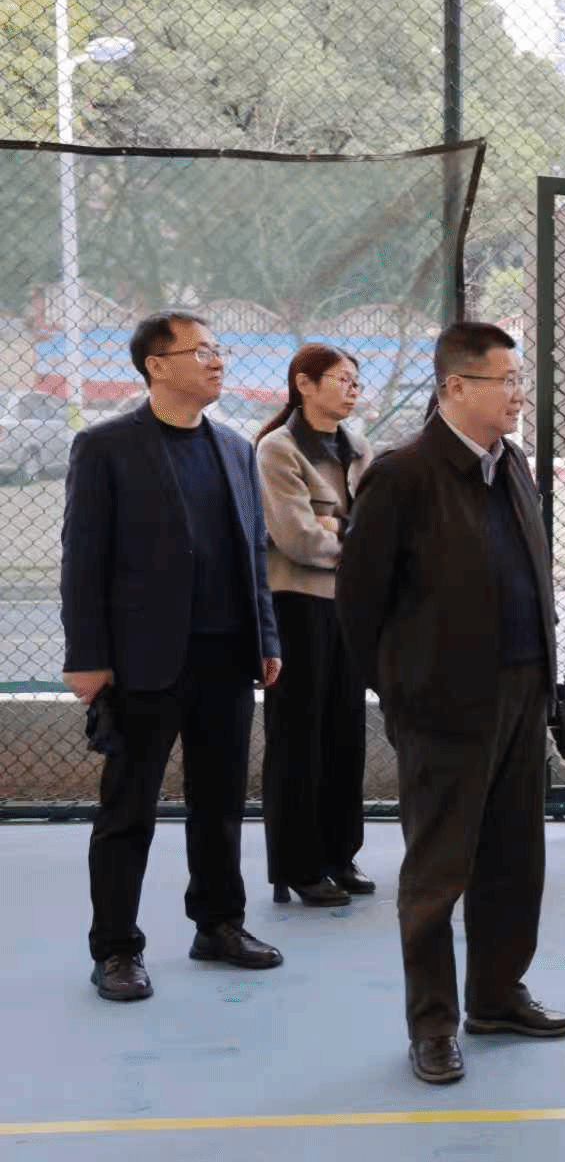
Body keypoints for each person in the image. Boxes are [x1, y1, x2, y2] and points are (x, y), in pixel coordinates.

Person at [337, 322, 565, 1086]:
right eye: (506, 381)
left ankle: (498, 997)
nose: (518, 395)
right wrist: (404, 695)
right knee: (438, 874)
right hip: (443, 709)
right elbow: (358, 607)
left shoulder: (512, 465)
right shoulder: (403, 475)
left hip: (523, 692)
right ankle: (433, 1024)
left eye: (520, 380)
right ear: (455, 387)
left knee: (515, 860)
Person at [61, 311, 285, 1003]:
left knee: (220, 803)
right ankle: (115, 949)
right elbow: (82, 560)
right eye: (201, 350)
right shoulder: (105, 447)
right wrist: (87, 656)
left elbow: (254, 553)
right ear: (156, 365)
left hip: (227, 656)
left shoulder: (235, 448)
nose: (217, 361)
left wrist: (267, 638)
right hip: (143, 661)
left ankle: (218, 924)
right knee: (128, 809)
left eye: (219, 349)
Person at [255, 343, 375, 909]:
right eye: (341, 378)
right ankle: (298, 866)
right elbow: (298, 539)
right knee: (298, 736)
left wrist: (335, 526)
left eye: (356, 380)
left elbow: (374, 529)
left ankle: (339, 855)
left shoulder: (359, 448)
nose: (352, 388)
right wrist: (346, 535)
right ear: (303, 383)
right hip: (297, 607)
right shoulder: (277, 449)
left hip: (347, 606)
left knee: (346, 733)